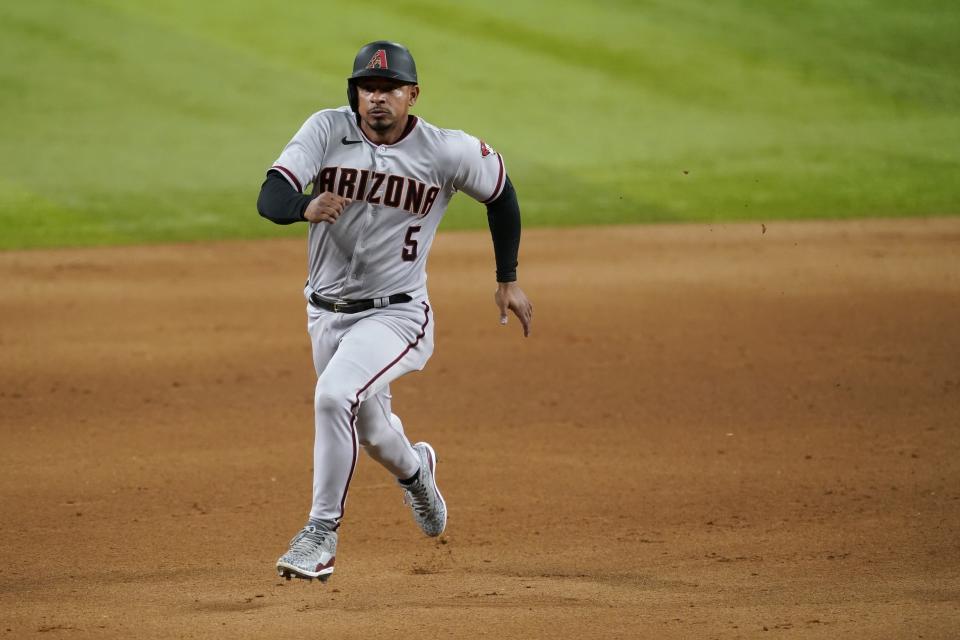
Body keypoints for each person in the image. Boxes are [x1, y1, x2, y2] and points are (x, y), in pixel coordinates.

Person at [256, 40, 533, 583]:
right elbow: (271, 195)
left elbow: (501, 194)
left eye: (388, 89)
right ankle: (417, 470)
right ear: (354, 93)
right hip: (324, 313)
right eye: (367, 88)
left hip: (397, 315)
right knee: (373, 432)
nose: (376, 99)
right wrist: (302, 207)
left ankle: (320, 534)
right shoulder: (325, 130)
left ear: (412, 94)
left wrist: (508, 279)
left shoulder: (446, 151)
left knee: (334, 395)